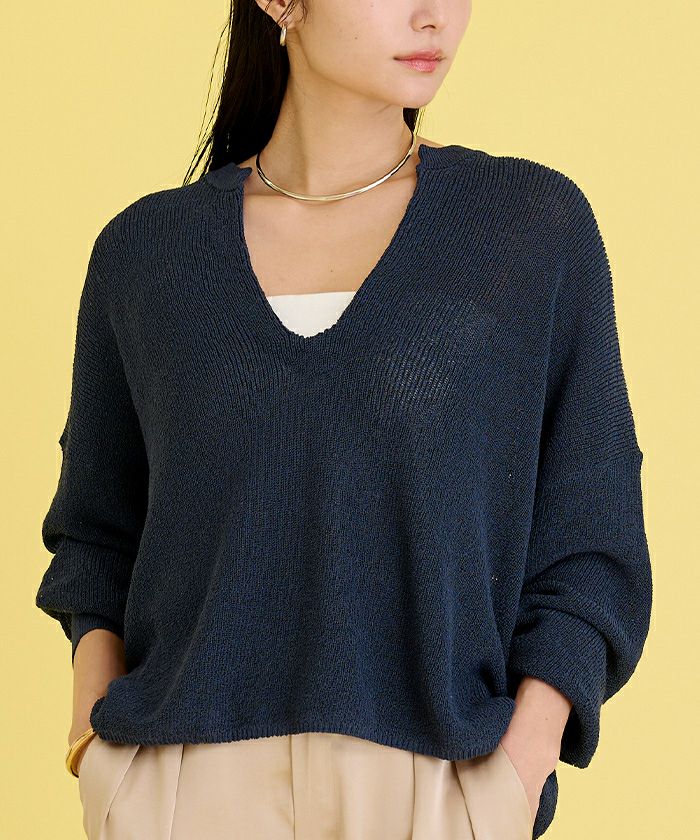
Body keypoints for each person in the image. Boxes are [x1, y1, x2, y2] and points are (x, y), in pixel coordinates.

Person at [35, 1, 653, 838]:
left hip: (438, 784)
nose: (434, 16)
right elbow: (96, 535)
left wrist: (518, 765)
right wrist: (96, 743)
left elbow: (592, 530)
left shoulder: (528, 229)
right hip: (183, 788)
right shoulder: (145, 253)